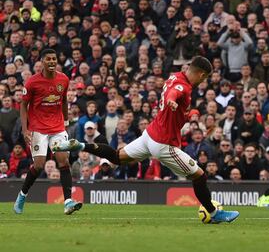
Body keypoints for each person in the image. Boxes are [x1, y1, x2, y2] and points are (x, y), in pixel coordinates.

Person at [53, 56, 239, 223]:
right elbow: (175, 93)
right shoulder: (184, 86)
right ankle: (214, 213)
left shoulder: (175, 76)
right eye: (204, 78)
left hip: (150, 134)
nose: (203, 81)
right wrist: (171, 101)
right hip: (163, 144)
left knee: (118, 157)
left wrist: (190, 113)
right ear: (200, 74)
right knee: (199, 175)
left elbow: (176, 97)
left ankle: (81, 145)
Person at [14, 49, 82, 215]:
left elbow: (64, 100)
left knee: (63, 161)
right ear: (42, 61)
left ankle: (67, 202)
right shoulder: (32, 82)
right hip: (38, 129)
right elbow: (23, 105)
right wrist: (25, 129)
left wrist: (65, 122)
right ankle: (22, 195)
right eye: (48, 59)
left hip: (57, 127)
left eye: (54, 58)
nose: (52, 61)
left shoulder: (63, 79)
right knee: (38, 165)